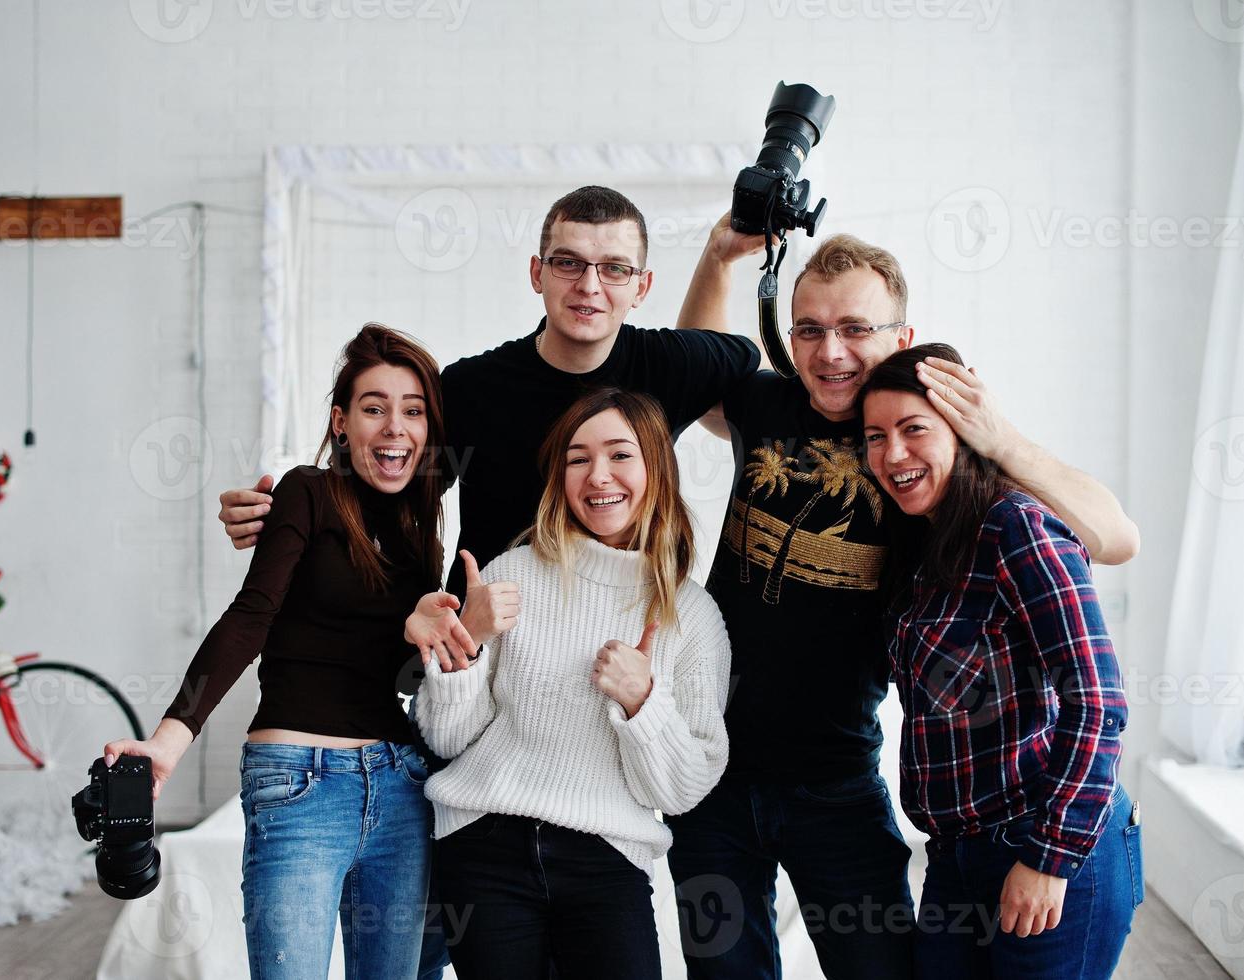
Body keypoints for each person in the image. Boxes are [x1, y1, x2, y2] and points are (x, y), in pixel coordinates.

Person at [218, 185, 764, 980]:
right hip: (477, 664)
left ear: (642, 286)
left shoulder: (671, 364)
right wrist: (288, 514)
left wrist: (718, 260)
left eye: (615, 271)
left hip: (590, 755)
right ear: (536, 272)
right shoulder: (472, 389)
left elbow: (738, 365)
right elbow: (385, 470)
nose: (590, 287)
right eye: (570, 264)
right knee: (432, 942)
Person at [664, 228, 1142, 980]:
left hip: (838, 782)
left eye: (856, 329)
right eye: (810, 330)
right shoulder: (767, 404)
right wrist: (722, 257)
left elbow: (1113, 538)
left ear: (900, 339)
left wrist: (999, 437)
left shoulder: (931, 466)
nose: (830, 353)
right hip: (712, 770)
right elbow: (697, 368)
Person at [101, 324, 448, 980]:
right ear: (341, 423)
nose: (395, 427)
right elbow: (250, 616)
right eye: (374, 408)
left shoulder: (419, 525)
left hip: (404, 786)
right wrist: (171, 739)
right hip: (300, 781)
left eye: (413, 410)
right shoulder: (305, 492)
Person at [407, 388, 732, 980]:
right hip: (484, 847)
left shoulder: (691, 613)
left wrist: (643, 703)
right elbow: (447, 739)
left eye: (619, 454)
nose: (597, 475)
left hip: (607, 859)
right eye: (577, 458)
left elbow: (684, 789)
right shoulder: (510, 576)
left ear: (656, 467)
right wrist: (468, 645)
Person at [859, 343, 1139, 980]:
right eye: (876, 436)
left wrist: (1050, 858)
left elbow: (1097, 700)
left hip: (1046, 839)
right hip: (956, 854)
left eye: (914, 429)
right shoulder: (919, 548)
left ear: (961, 430)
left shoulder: (1014, 526)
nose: (893, 455)